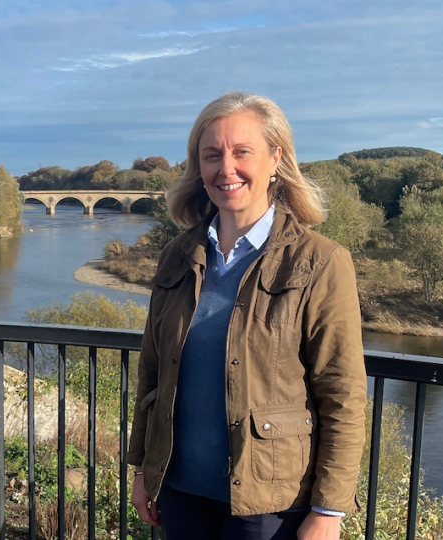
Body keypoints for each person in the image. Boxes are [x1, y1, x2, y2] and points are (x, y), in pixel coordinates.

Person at [128, 92, 367, 540]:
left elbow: (343, 394)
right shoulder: (178, 255)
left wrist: (329, 509)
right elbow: (152, 373)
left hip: (271, 504)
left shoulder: (319, 262)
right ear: (198, 168)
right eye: (212, 155)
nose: (226, 168)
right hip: (180, 491)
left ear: (276, 158)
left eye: (242, 152)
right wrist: (142, 467)